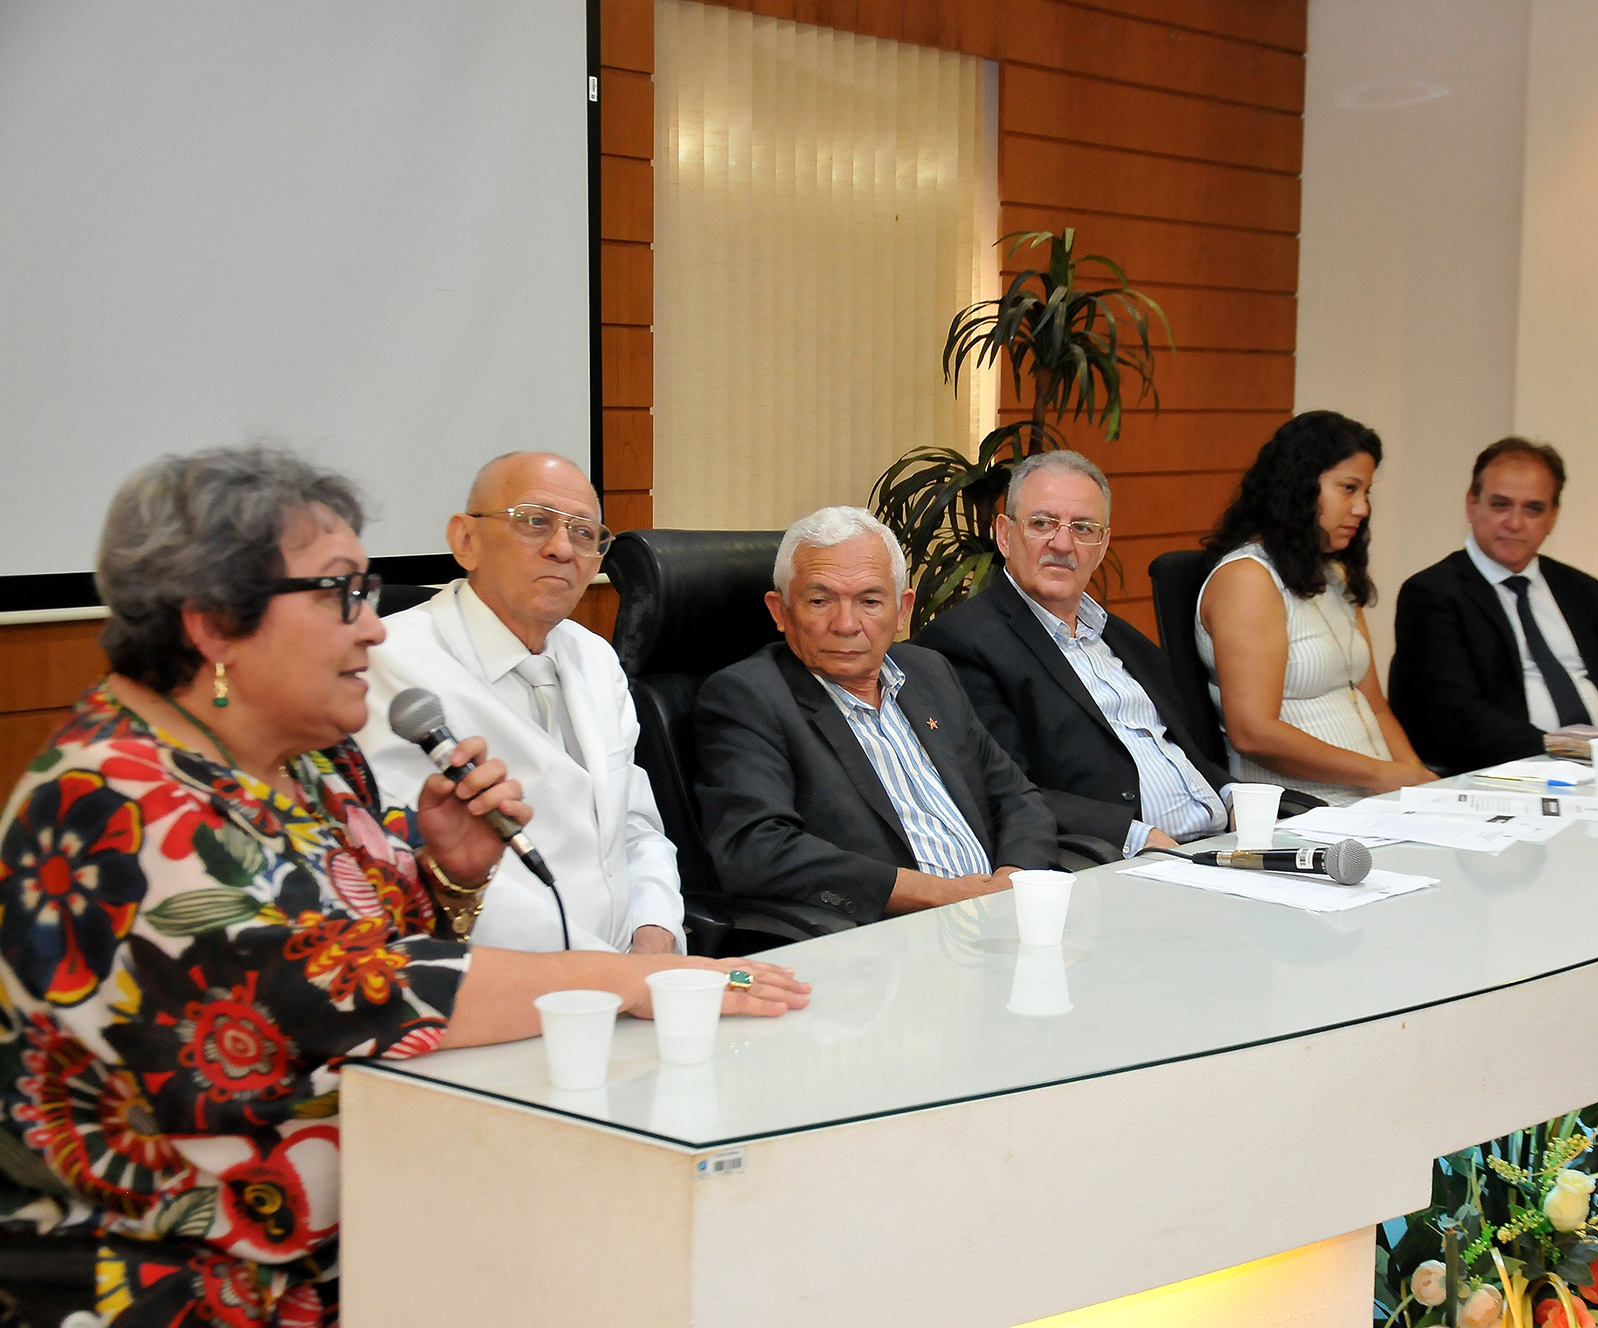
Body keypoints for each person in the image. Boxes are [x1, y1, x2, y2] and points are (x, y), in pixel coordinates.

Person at [0, 447, 807, 1327]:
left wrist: (451, 875)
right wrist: (635, 979)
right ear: (214, 623)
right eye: (340, 595)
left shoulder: (311, 762)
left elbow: (397, 934)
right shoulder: (112, 800)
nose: (375, 629)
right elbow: (357, 988)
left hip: (385, 1220)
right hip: (188, 1280)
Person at [357, 452, 685, 955]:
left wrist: (656, 935)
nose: (562, 549)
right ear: (465, 540)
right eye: (535, 522)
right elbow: (411, 860)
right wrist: (610, 975)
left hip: (632, 969)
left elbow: (634, 828)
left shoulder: (595, 656)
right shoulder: (387, 663)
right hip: (502, 978)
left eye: (583, 533)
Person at [695, 506, 1059, 925]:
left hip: (1004, 914)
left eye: (869, 601)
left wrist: (1011, 882)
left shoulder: (929, 673)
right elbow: (757, 849)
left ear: (903, 610)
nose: (846, 624)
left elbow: (1017, 798)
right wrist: (941, 895)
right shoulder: (748, 697)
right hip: (891, 937)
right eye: (820, 601)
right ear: (781, 611)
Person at [919, 450, 1265, 855]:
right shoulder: (964, 644)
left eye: (1083, 528)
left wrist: (1232, 795)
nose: (1063, 544)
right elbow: (1002, 790)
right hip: (1121, 862)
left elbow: (1178, 750)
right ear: (1005, 535)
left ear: (1102, 547)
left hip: (1224, 844)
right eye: (1042, 523)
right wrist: (1134, 836)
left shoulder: (1122, 638)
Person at [1195, 411, 1435, 805]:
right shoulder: (1248, 578)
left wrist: (1419, 781)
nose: (1362, 508)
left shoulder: (1335, 574)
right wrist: (1382, 775)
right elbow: (1253, 732)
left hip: (1374, 799)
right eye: (1348, 489)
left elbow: (1375, 707)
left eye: (1365, 492)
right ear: (1300, 486)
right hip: (1306, 808)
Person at [1389, 437, 1598, 775]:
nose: (1515, 523)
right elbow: (1457, 716)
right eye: (1501, 505)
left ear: (1553, 516)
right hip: (1503, 774)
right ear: (1472, 505)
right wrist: (1566, 754)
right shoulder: (1433, 594)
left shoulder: (1583, 591)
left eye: (1533, 509)